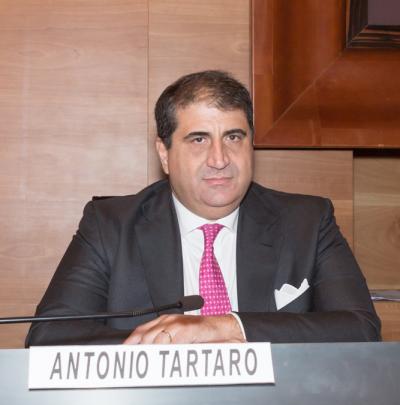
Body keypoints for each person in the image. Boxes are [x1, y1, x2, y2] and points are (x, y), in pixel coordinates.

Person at [26, 70, 380, 347]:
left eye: (233, 137)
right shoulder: (110, 226)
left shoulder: (307, 222)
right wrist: (170, 347)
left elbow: (360, 328)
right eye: (199, 139)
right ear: (164, 154)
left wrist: (225, 327)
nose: (219, 159)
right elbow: (49, 338)